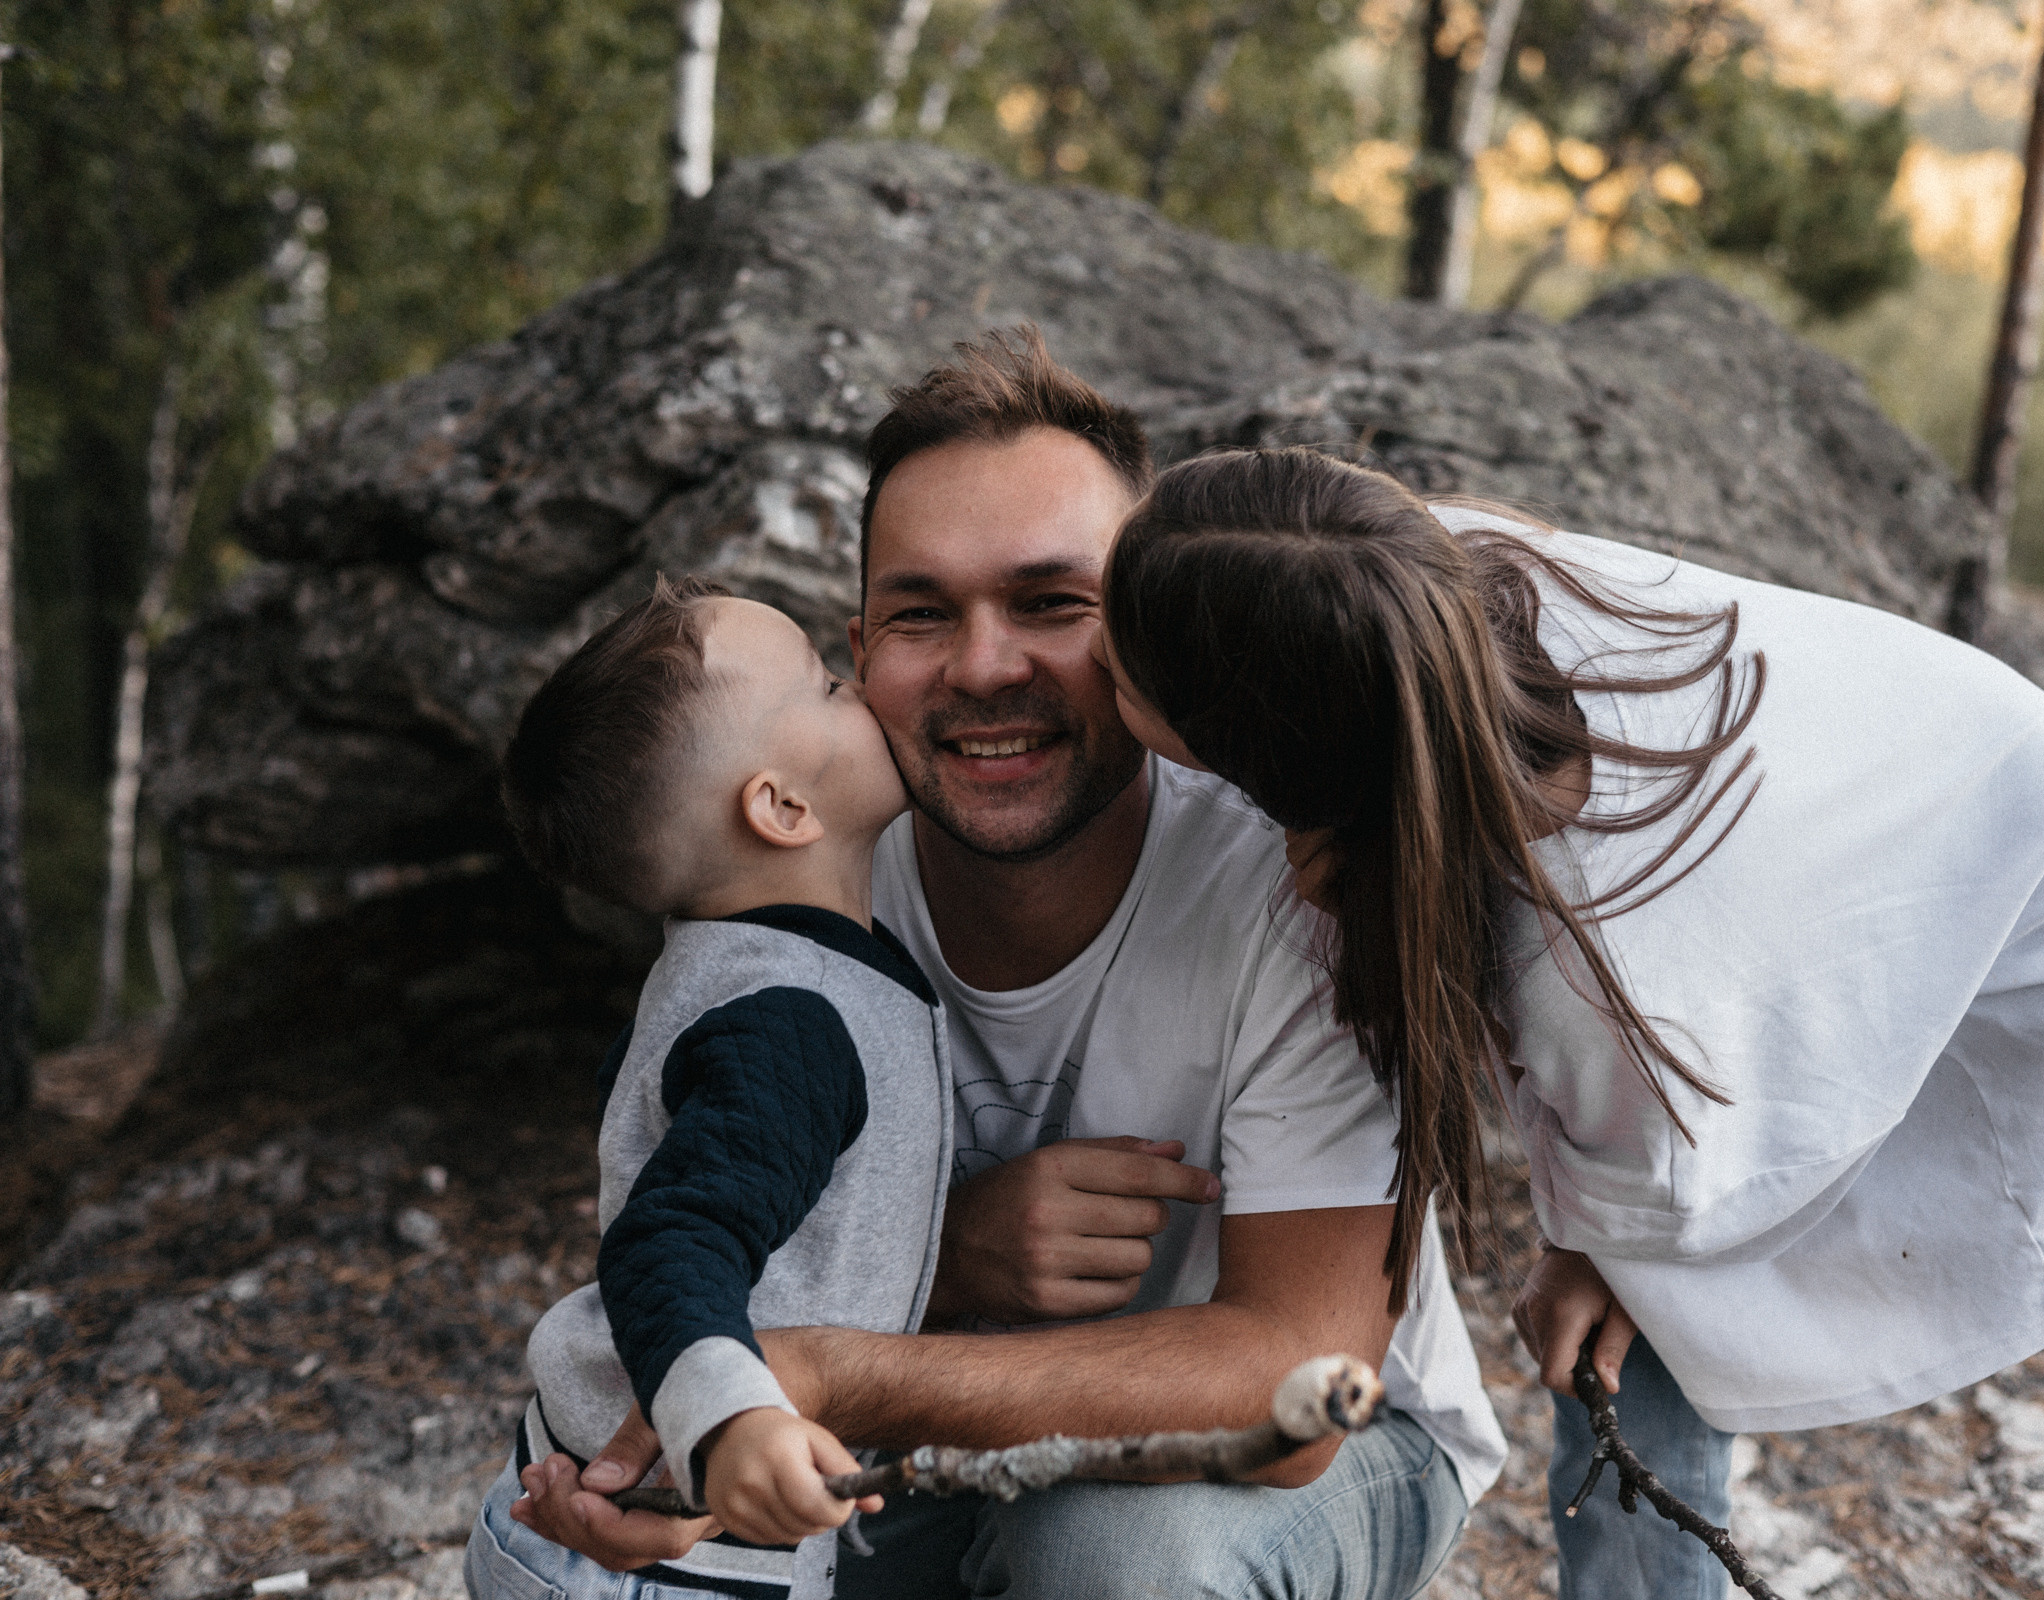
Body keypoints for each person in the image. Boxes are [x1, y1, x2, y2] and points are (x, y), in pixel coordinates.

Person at [1095, 446, 2044, 1600]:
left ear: (1259, 755)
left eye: (1122, 668)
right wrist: (1613, 1235)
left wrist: (1598, 1238)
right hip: (1851, 934)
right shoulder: (1392, 602)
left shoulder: (1590, 942)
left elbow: (1675, 1185)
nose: (1088, 665)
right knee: (1632, 1365)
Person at [509, 332, 1505, 1599]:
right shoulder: (793, 906)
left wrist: (827, 1369)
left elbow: (1290, 1381)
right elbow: (686, 1234)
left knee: (1110, 1563)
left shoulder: (1293, 885)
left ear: (1145, 631)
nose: (984, 668)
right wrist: (943, 1251)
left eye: (1051, 603)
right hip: (924, 1453)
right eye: (923, 613)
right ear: (860, 652)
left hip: (1310, 1446)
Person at [469, 579, 949, 1600]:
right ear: (781, 806)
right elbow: (671, 1236)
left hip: (603, 1516)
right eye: (826, 684)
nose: (859, 684)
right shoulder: (789, 1014)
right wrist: (734, 1421)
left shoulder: (726, 966)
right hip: (668, 1556)